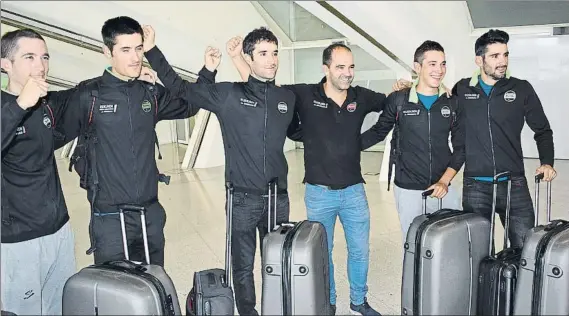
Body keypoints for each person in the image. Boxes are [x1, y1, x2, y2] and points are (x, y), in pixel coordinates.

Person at [143, 26, 296, 316]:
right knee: (241, 266)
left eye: (275, 53)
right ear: (249, 59)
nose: (272, 60)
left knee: (276, 263)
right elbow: (181, 89)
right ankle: (248, 312)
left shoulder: (285, 99)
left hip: (279, 198)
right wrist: (152, 50)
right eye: (263, 54)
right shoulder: (228, 95)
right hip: (242, 200)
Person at [228, 39, 385, 315]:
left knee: (360, 251)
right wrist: (239, 60)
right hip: (319, 193)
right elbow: (266, 91)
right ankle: (330, 301)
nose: (347, 73)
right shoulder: (304, 94)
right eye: (340, 67)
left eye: (351, 67)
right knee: (322, 254)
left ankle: (359, 301)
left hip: (354, 192)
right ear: (326, 68)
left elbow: (391, 106)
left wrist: (363, 141)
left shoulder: (362, 96)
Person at [60, 16, 220, 267]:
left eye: (138, 48)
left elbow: (190, 105)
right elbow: (49, 135)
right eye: (125, 50)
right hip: (110, 217)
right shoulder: (88, 95)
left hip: (149, 213)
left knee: (153, 287)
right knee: (117, 294)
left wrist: (207, 72)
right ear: (107, 52)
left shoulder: (150, 92)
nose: (135, 57)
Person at [451, 29, 555, 248]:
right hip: (476, 186)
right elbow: (439, 106)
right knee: (478, 252)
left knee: (525, 250)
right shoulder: (462, 88)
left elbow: (542, 130)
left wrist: (546, 162)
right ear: (479, 60)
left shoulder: (521, 88)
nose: (503, 61)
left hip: (514, 184)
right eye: (495, 56)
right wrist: (406, 88)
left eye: (505, 55)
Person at [360, 40, 464, 243]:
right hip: (408, 190)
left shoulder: (452, 102)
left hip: (444, 187)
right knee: (413, 246)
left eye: (443, 64)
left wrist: (444, 180)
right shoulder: (399, 100)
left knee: (451, 246)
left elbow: (461, 148)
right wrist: (346, 146)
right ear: (418, 67)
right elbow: (378, 132)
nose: (439, 70)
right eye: (432, 64)